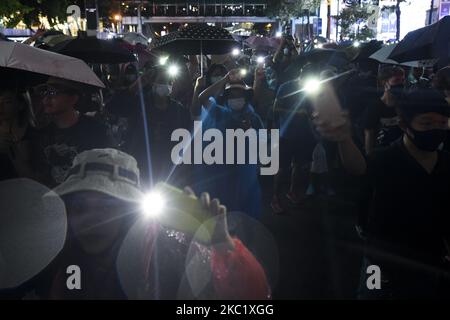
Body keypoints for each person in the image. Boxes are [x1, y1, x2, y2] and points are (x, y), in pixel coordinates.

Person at [34, 148, 271, 299]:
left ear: (128, 212)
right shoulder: (66, 262)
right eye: (80, 207)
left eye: (107, 207)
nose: (90, 220)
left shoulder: (171, 253)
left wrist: (222, 244)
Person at [316, 88, 450, 299]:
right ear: (404, 125)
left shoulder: (446, 162)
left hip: (429, 262)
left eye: (443, 123)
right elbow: (358, 167)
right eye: (426, 123)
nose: (436, 129)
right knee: (373, 295)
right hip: (379, 264)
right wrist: (344, 139)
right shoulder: (386, 158)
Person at [197, 69, 264, 220]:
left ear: (245, 98)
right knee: (221, 211)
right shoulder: (220, 113)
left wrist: (250, 133)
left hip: (244, 174)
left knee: (243, 214)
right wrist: (225, 79)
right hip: (221, 172)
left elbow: (263, 144)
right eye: (232, 96)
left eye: (239, 95)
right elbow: (202, 97)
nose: (236, 98)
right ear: (226, 98)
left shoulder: (253, 118)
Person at [31, 77, 113, 187]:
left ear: (73, 98)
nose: (46, 98)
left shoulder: (95, 130)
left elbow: (109, 167)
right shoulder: (42, 134)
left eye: (53, 92)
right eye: (44, 92)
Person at [125, 65, 191, 188]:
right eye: (161, 81)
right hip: (141, 168)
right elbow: (114, 105)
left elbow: (187, 142)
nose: (165, 85)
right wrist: (139, 83)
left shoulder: (180, 111)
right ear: (153, 84)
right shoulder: (140, 106)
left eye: (169, 82)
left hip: (169, 171)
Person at [269, 67, 318, 214]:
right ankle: (275, 198)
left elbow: (312, 109)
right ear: (300, 76)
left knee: (298, 165)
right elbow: (275, 108)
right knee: (281, 168)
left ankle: (292, 192)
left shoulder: (312, 89)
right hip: (286, 134)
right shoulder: (286, 87)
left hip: (304, 134)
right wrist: (297, 112)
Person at [363, 66, 406, 155]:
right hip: (383, 150)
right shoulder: (375, 106)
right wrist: (369, 156)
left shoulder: (405, 103)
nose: (401, 84)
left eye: (402, 80)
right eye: (396, 80)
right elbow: (369, 133)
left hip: (403, 148)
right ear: (385, 82)